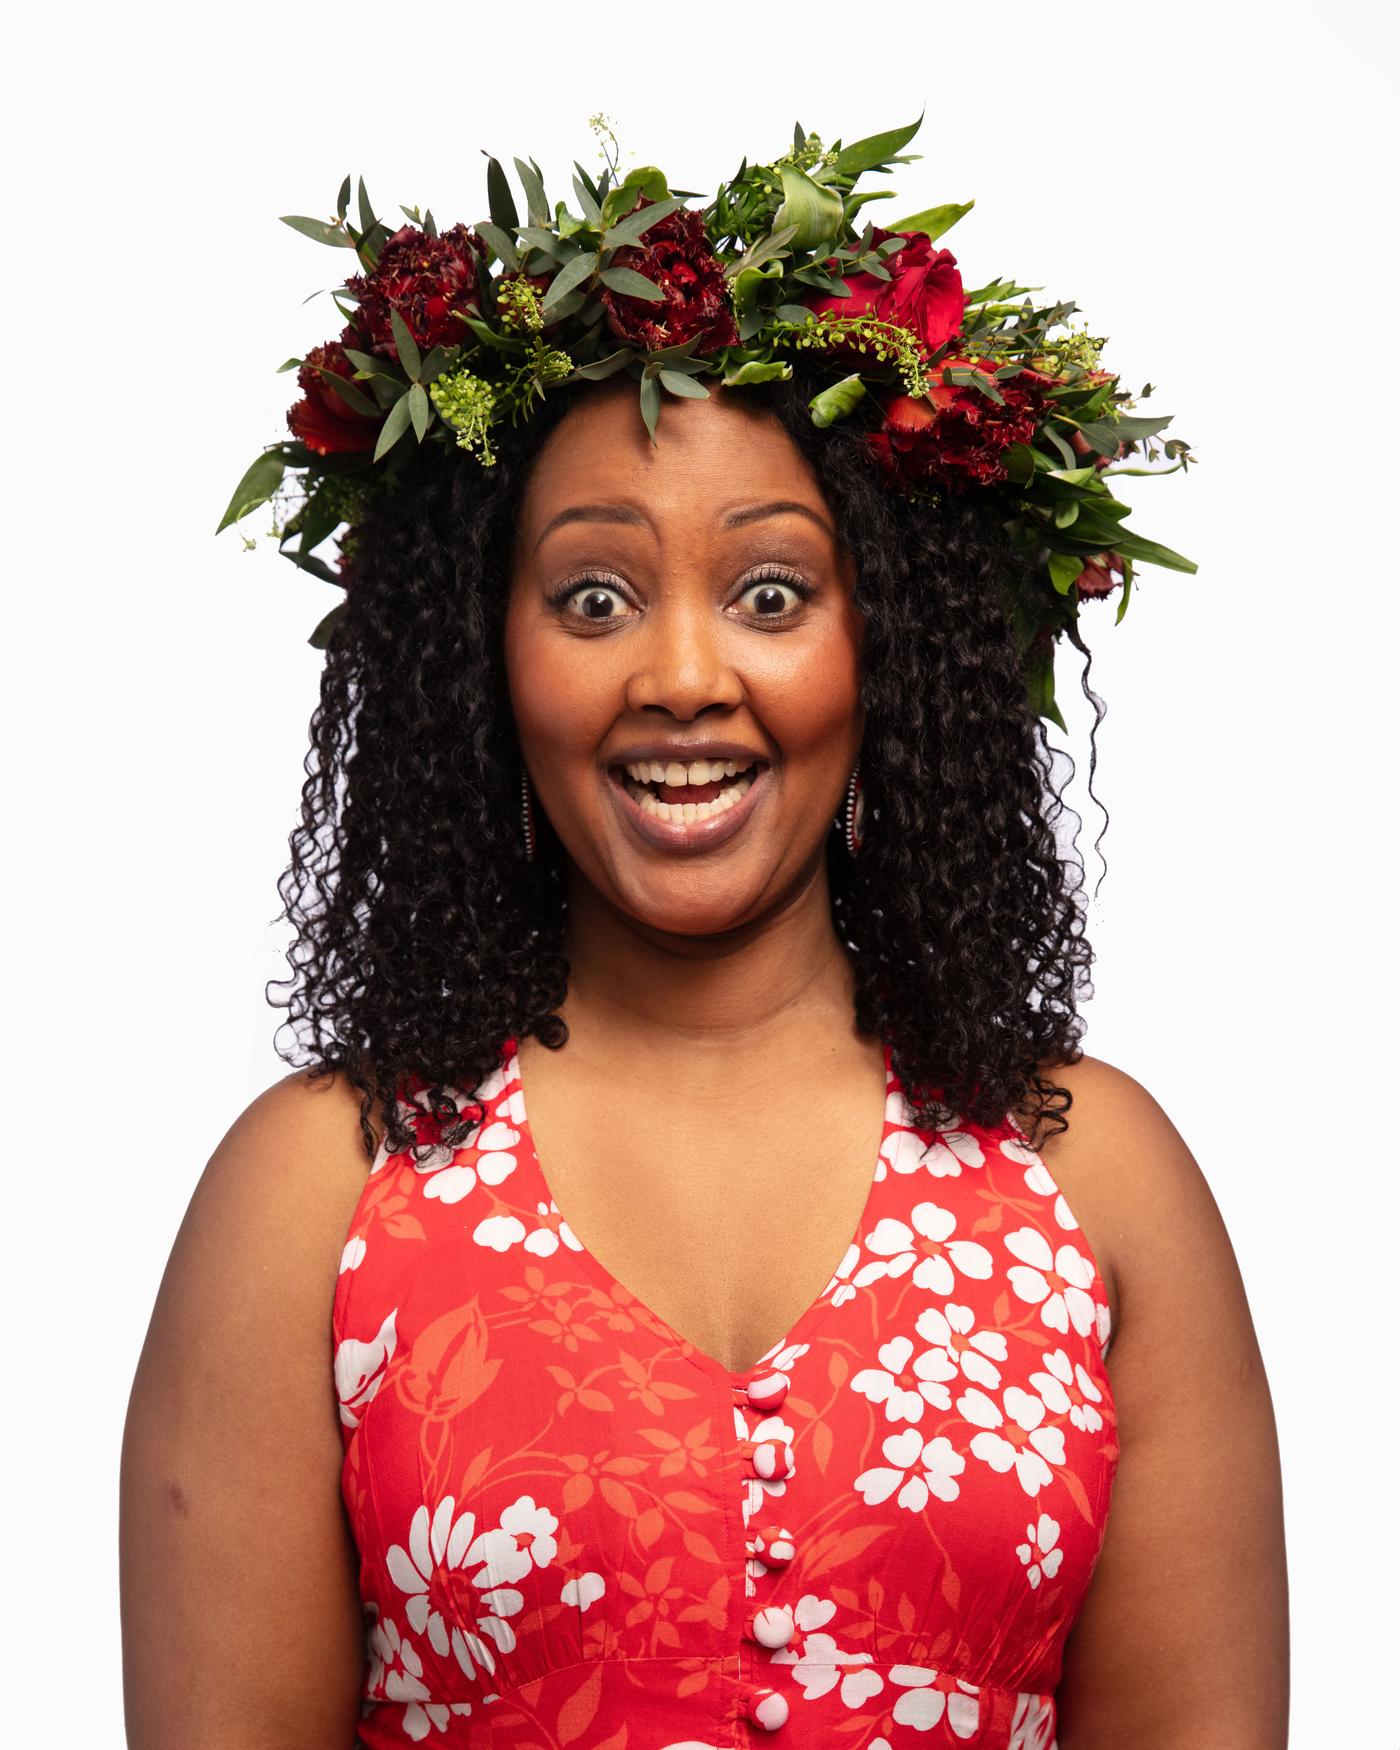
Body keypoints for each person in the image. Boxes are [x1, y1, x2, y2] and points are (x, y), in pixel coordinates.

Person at [120, 125, 1288, 1748]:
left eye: (771, 593)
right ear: (484, 656)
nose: (678, 673)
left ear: (890, 652)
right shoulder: (318, 1195)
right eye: (593, 595)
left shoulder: (1093, 1179)